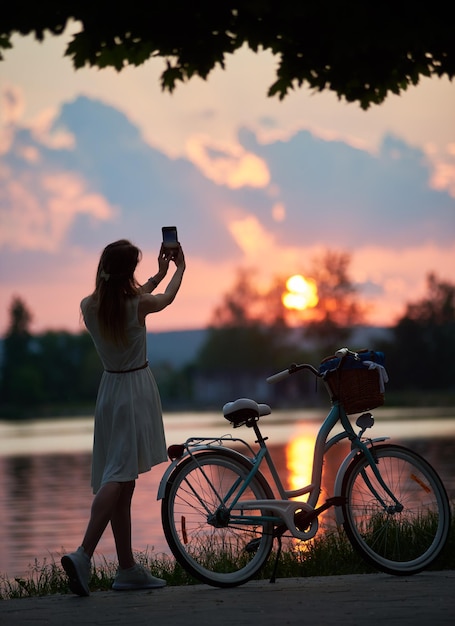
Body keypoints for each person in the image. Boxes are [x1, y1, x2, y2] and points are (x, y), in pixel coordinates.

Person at [61, 238, 185, 596]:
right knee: (118, 475)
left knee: (122, 479)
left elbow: (128, 298)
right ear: (128, 271)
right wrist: (178, 271)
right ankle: (83, 554)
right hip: (135, 389)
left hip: (109, 392)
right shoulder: (137, 305)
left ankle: (127, 567)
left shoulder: (88, 306)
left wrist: (156, 274)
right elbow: (161, 300)